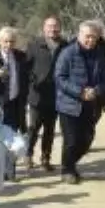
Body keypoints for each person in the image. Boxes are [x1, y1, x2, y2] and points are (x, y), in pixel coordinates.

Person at [55, 21, 105, 185]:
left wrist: (97, 91)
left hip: (91, 105)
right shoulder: (67, 53)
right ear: (79, 35)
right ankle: (68, 170)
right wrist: (80, 92)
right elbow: (60, 78)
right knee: (71, 140)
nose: (90, 40)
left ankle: (69, 162)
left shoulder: (100, 54)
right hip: (69, 105)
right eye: (87, 36)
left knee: (87, 139)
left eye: (94, 37)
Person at [26, 16, 67, 173]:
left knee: (50, 129)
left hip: (56, 95)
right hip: (37, 94)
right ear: (44, 28)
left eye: (56, 26)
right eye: (50, 26)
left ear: (60, 28)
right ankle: (28, 155)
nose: (53, 29)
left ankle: (45, 158)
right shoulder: (34, 45)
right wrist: (32, 82)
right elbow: (26, 67)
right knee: (34, 128)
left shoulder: (65, 46)